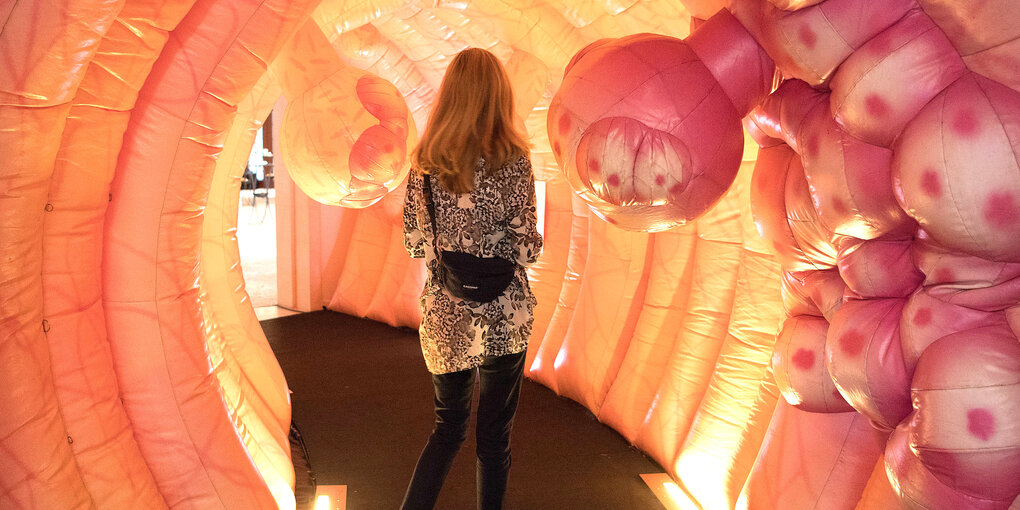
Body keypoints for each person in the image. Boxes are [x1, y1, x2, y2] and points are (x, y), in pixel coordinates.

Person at [400, 47, 543, 510]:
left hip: (447, 314)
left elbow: (415, 241)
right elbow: (526, 247)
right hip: (504, 316)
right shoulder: (514, 162)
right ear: (499, 97)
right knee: (493, 438)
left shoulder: (425, 164)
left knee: (447, 429)